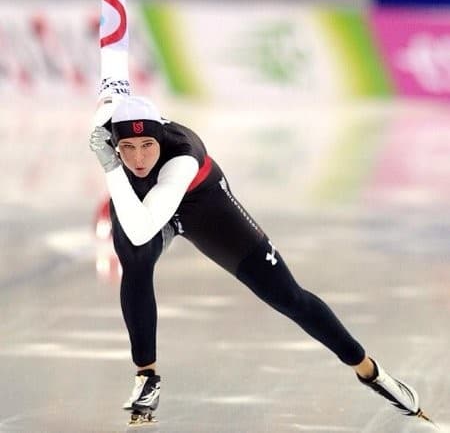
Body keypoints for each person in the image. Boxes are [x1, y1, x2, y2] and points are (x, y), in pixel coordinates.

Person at [89, 96, 428, 425]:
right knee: (135, 262)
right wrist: (111, 149)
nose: (138, 158)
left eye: (147, 144)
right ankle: (147, 376)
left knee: (287, 296)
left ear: (160, 137)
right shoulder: (111, 126)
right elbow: (114, 48)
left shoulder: (183, 156)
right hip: (145, 205)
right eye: (127, 148)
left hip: (202, 207)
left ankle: (369, 369)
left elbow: (141, 227)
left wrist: (111, 166)